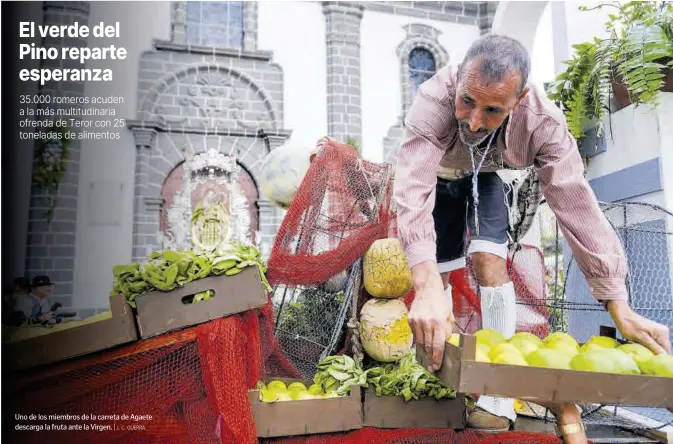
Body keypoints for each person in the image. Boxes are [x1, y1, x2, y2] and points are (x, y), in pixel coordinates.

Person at [393, 33, 671, 440]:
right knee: (438, 278)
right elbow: (413, 188)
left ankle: (499, 397)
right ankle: (452, 381)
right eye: (467, 100)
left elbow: (576, 205)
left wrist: (618, 303)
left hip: (492, 177)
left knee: (491, 261)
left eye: (492, 110)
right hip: (440, 180)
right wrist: (426, 283)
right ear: (458, 82)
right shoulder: (433, 100)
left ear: (518, 101)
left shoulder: (545, 124)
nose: (473, 121)